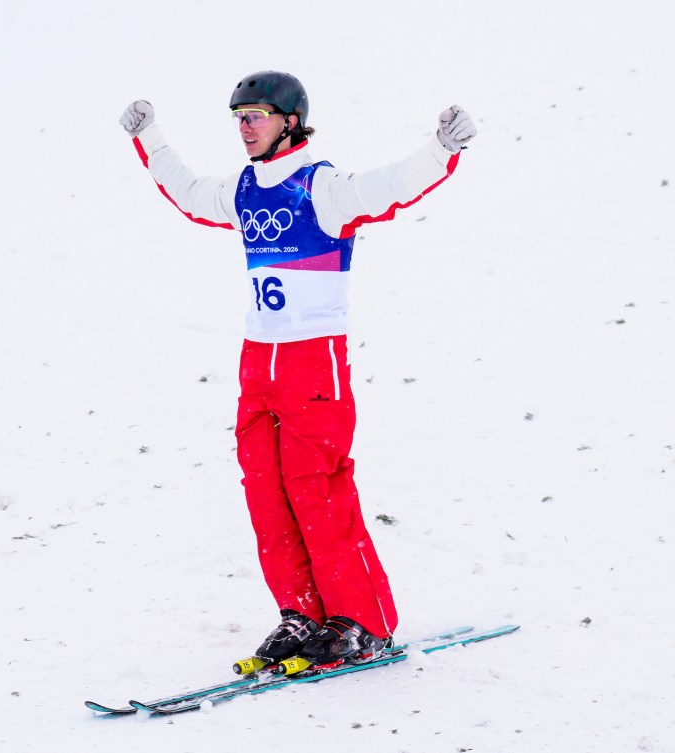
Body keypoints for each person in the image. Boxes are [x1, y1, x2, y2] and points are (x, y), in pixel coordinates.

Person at [119, 71, 476, 668]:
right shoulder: (243, 190)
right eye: (238, 118)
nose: (244, 128)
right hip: (258, 363)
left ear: (289, 120)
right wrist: (151, 138)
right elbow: (188, 193)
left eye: (255, 115)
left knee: (318, 490)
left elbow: (390, 186)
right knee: (265, 491)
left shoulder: (322, 188)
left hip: (314, 364)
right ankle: (301, 611)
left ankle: (361, 620)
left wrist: (443, 148)